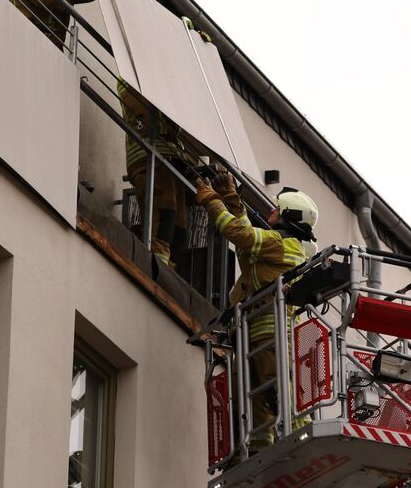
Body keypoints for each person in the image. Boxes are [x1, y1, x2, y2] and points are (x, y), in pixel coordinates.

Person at [196, 169, 319, 450]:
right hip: (250, 335)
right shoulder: (273, 246)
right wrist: (233, 201)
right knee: (251, 400)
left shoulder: (284, 244)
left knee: (277, 392)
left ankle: (301, 441)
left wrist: (214, 201)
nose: (271, 211)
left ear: (289, 215)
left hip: (271, 332)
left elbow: (240, 235)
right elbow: (246, 249)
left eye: (278, 208)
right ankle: (258, 450)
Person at [119, 79, 188, 266]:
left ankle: (165, 270)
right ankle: (156, 268)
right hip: (148, 156)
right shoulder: (134, 78)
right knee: (163, 214)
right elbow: (149, 114)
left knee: (179, 230)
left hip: (167, 157)